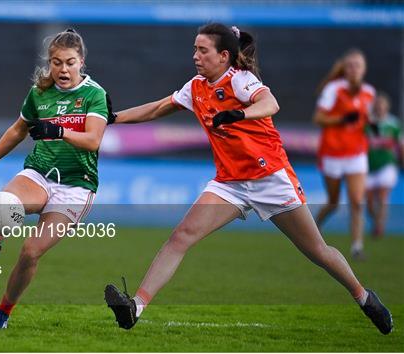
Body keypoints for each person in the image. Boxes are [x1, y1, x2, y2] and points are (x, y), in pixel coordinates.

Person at [104, 23, 392, 335]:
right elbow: (160, 107)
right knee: (181, 236)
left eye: (203, 50)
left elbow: (271, 104)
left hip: (270, 178)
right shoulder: (196, 86)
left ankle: (365, 299)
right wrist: (115, 117)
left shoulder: (241, 80)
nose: (195, 56)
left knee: (317, 251)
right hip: (230, 183)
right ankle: (136, 307)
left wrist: (238, 114)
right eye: (195, 49)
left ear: (224, 55)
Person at [0, 29, 112, 329]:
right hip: (40, 173)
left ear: (81, 62)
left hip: (76, 187)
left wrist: (59, 131)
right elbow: (17, 130)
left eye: (70, 62)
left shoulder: (94, 94)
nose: (63, 69)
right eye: (56, 62)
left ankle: (2, 314)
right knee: (2, 202)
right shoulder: (40, 92)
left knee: (30, 252)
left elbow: (94, 140)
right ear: (49, 63)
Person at [313, 49, 375, 260]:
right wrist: (341, 119)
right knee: (333, 201)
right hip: (333, 153)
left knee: (357, 201)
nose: (354, 69)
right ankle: (314, 229)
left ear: (364, 69)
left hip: (356, 154)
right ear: (345, 69)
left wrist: (372, 125)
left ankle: (357, 247)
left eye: (358, 65)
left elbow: (366, 119)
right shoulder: (334, 89)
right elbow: (319, 118)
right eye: (350, 65)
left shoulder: (369, 92)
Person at [366, 92, 403, 238]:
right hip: (368, 167)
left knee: (382, 197)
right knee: (368, 202)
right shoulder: (368, 123)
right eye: (377, 104)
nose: (380, 107)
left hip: (387, 165)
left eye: (382, 104)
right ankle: (376, 221)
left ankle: (380, 227)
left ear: (387, 107)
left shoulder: (393, 124)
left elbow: (400, 145)